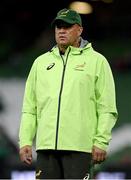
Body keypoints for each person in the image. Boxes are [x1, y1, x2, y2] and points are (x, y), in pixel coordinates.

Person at [19, 8, 118, 179]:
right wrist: (25, 141)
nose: (61, 31)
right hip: (46, 148)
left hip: (79, 149)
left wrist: (101, 142)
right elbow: (30, 108)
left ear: (79, 30)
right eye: (58, 27)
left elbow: (107, 108)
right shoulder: (40, 63)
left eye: (67, 26)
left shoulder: (97, 62)